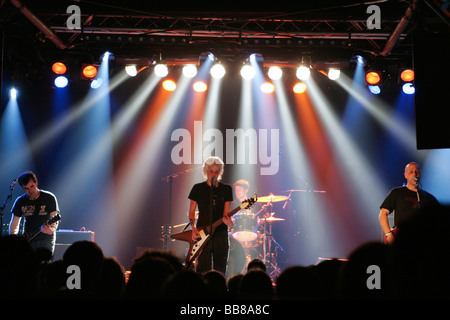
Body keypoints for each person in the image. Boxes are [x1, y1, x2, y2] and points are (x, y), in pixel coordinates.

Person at [188, 156, 233, 275]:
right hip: (202, 231)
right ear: (206, 171)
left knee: (220, 268)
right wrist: (193, 229)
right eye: (211, 171)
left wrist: (229, 222)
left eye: (217, 171)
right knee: (202, 267)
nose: (214, 174)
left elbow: (226, 214)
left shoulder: (226, 189)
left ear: (220, 172)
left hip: (221, 232)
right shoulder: (197, 188)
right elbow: (191, 211)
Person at [379, 162, 439, 244]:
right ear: (405, 175)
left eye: (417, 171)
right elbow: (382, 214)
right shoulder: (397, 192)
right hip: (402, 238)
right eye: (411, 171)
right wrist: (389, 234)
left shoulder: (429, 197)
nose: (415, 174)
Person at [9, 171, 60, 258]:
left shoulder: (49, 197)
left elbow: (54, 218)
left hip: (46, 239)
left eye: (32, 186)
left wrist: (51, 229)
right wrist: (14, 242)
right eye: (26, 188)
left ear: (36, 183)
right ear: (22, 188)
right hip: (28, 239)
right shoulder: (20, 201)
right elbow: (14, 224)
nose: (30, 190)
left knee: (44, 265)